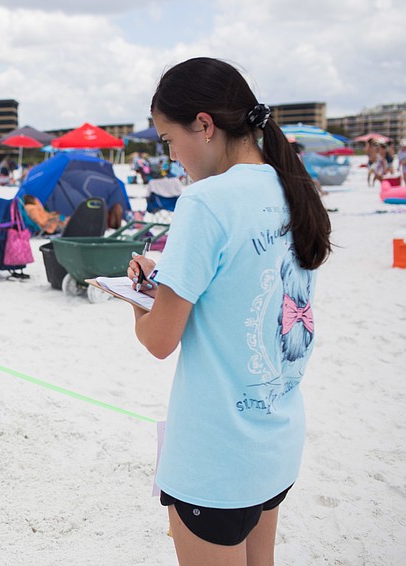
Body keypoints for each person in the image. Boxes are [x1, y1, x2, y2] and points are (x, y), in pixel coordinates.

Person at [126, 57, 331, 564]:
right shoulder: (291, 185)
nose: (172, 157)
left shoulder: (205, 202)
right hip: (274, 442)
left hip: (215, 456)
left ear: (204, 125)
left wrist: (137, 301)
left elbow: (158, 341)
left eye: (169, 140)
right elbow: (243, 282)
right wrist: (174, 279)